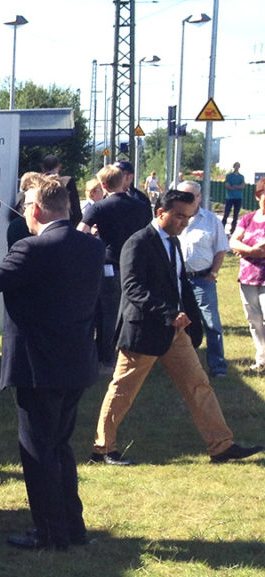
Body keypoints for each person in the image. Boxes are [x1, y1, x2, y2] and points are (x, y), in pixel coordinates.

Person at [0, 175, 103, 551]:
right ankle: (73, 526)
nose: (24, 213)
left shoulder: (33, 248)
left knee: (38, 451)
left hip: (40, 366)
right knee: (61, 446)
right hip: (75, 363)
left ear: (36, 210)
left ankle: (49, 531)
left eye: (25, 207)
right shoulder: (90, 246)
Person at [92, 189, 260, 467]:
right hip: (143, 331)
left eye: (188, 217)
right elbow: (132, 289)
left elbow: (180, 285)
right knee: (122, 390)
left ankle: (221, 446)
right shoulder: (138, 243)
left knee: (199, 385)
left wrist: (190, 320)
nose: (185, 222)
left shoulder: (173, 242)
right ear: (161, 213)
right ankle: (102, 449)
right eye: (180, 216)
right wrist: (169, 314)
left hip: (176, 332)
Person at [81, 165, 152, 370]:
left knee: (107, 312)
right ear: (123, 181)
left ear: (103, 185)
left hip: (109, 264)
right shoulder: (140, 205)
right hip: (135, 263)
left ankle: (106, 357)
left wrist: (95, 237)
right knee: (134, 310)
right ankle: (133, 352)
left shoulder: (99, 207)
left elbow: (81, 232)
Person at [175, 178, 229, 377]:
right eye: (182, 196)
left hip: (202, 280)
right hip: (177, 280)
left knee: (211, 323)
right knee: (180, 323)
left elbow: (221, 249)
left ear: (199, 197)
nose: (186, 200)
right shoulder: (173, 218)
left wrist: (213, 273)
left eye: (190, 196)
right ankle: (182, 365)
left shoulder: (211, 220)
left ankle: (218, 367)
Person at [232, 177, 265, 373]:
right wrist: (252, 251)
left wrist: (245, 248)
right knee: (254, 320)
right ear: (257, 196)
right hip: (248, 276)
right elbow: (234, 242)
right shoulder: (248, 218)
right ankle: (261, 359)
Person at [223, 162, 247, 232]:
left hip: (238, 198)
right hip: (229, 198)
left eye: (238, 166)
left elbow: (243, 186)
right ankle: (222, 228)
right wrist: (234, 187)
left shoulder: (241, 177)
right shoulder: (229, 176)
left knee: (236, 215)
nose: (236, 167)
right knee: (226, 213)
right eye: (235, 166)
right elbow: (227, 185)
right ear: (233, 167)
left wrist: (236, 186)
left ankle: (232, 229)